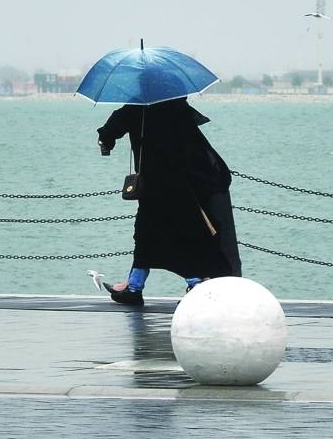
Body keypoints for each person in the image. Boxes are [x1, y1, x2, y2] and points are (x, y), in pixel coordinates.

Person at [95, 98, 241, 305]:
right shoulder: (177, 107)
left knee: (145, 235)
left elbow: (110, 130)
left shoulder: (137, 107)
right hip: (183, 185)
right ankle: (140, 285)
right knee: (183, 235)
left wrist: (105, 141)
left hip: (153, 186)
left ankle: (146, 287)